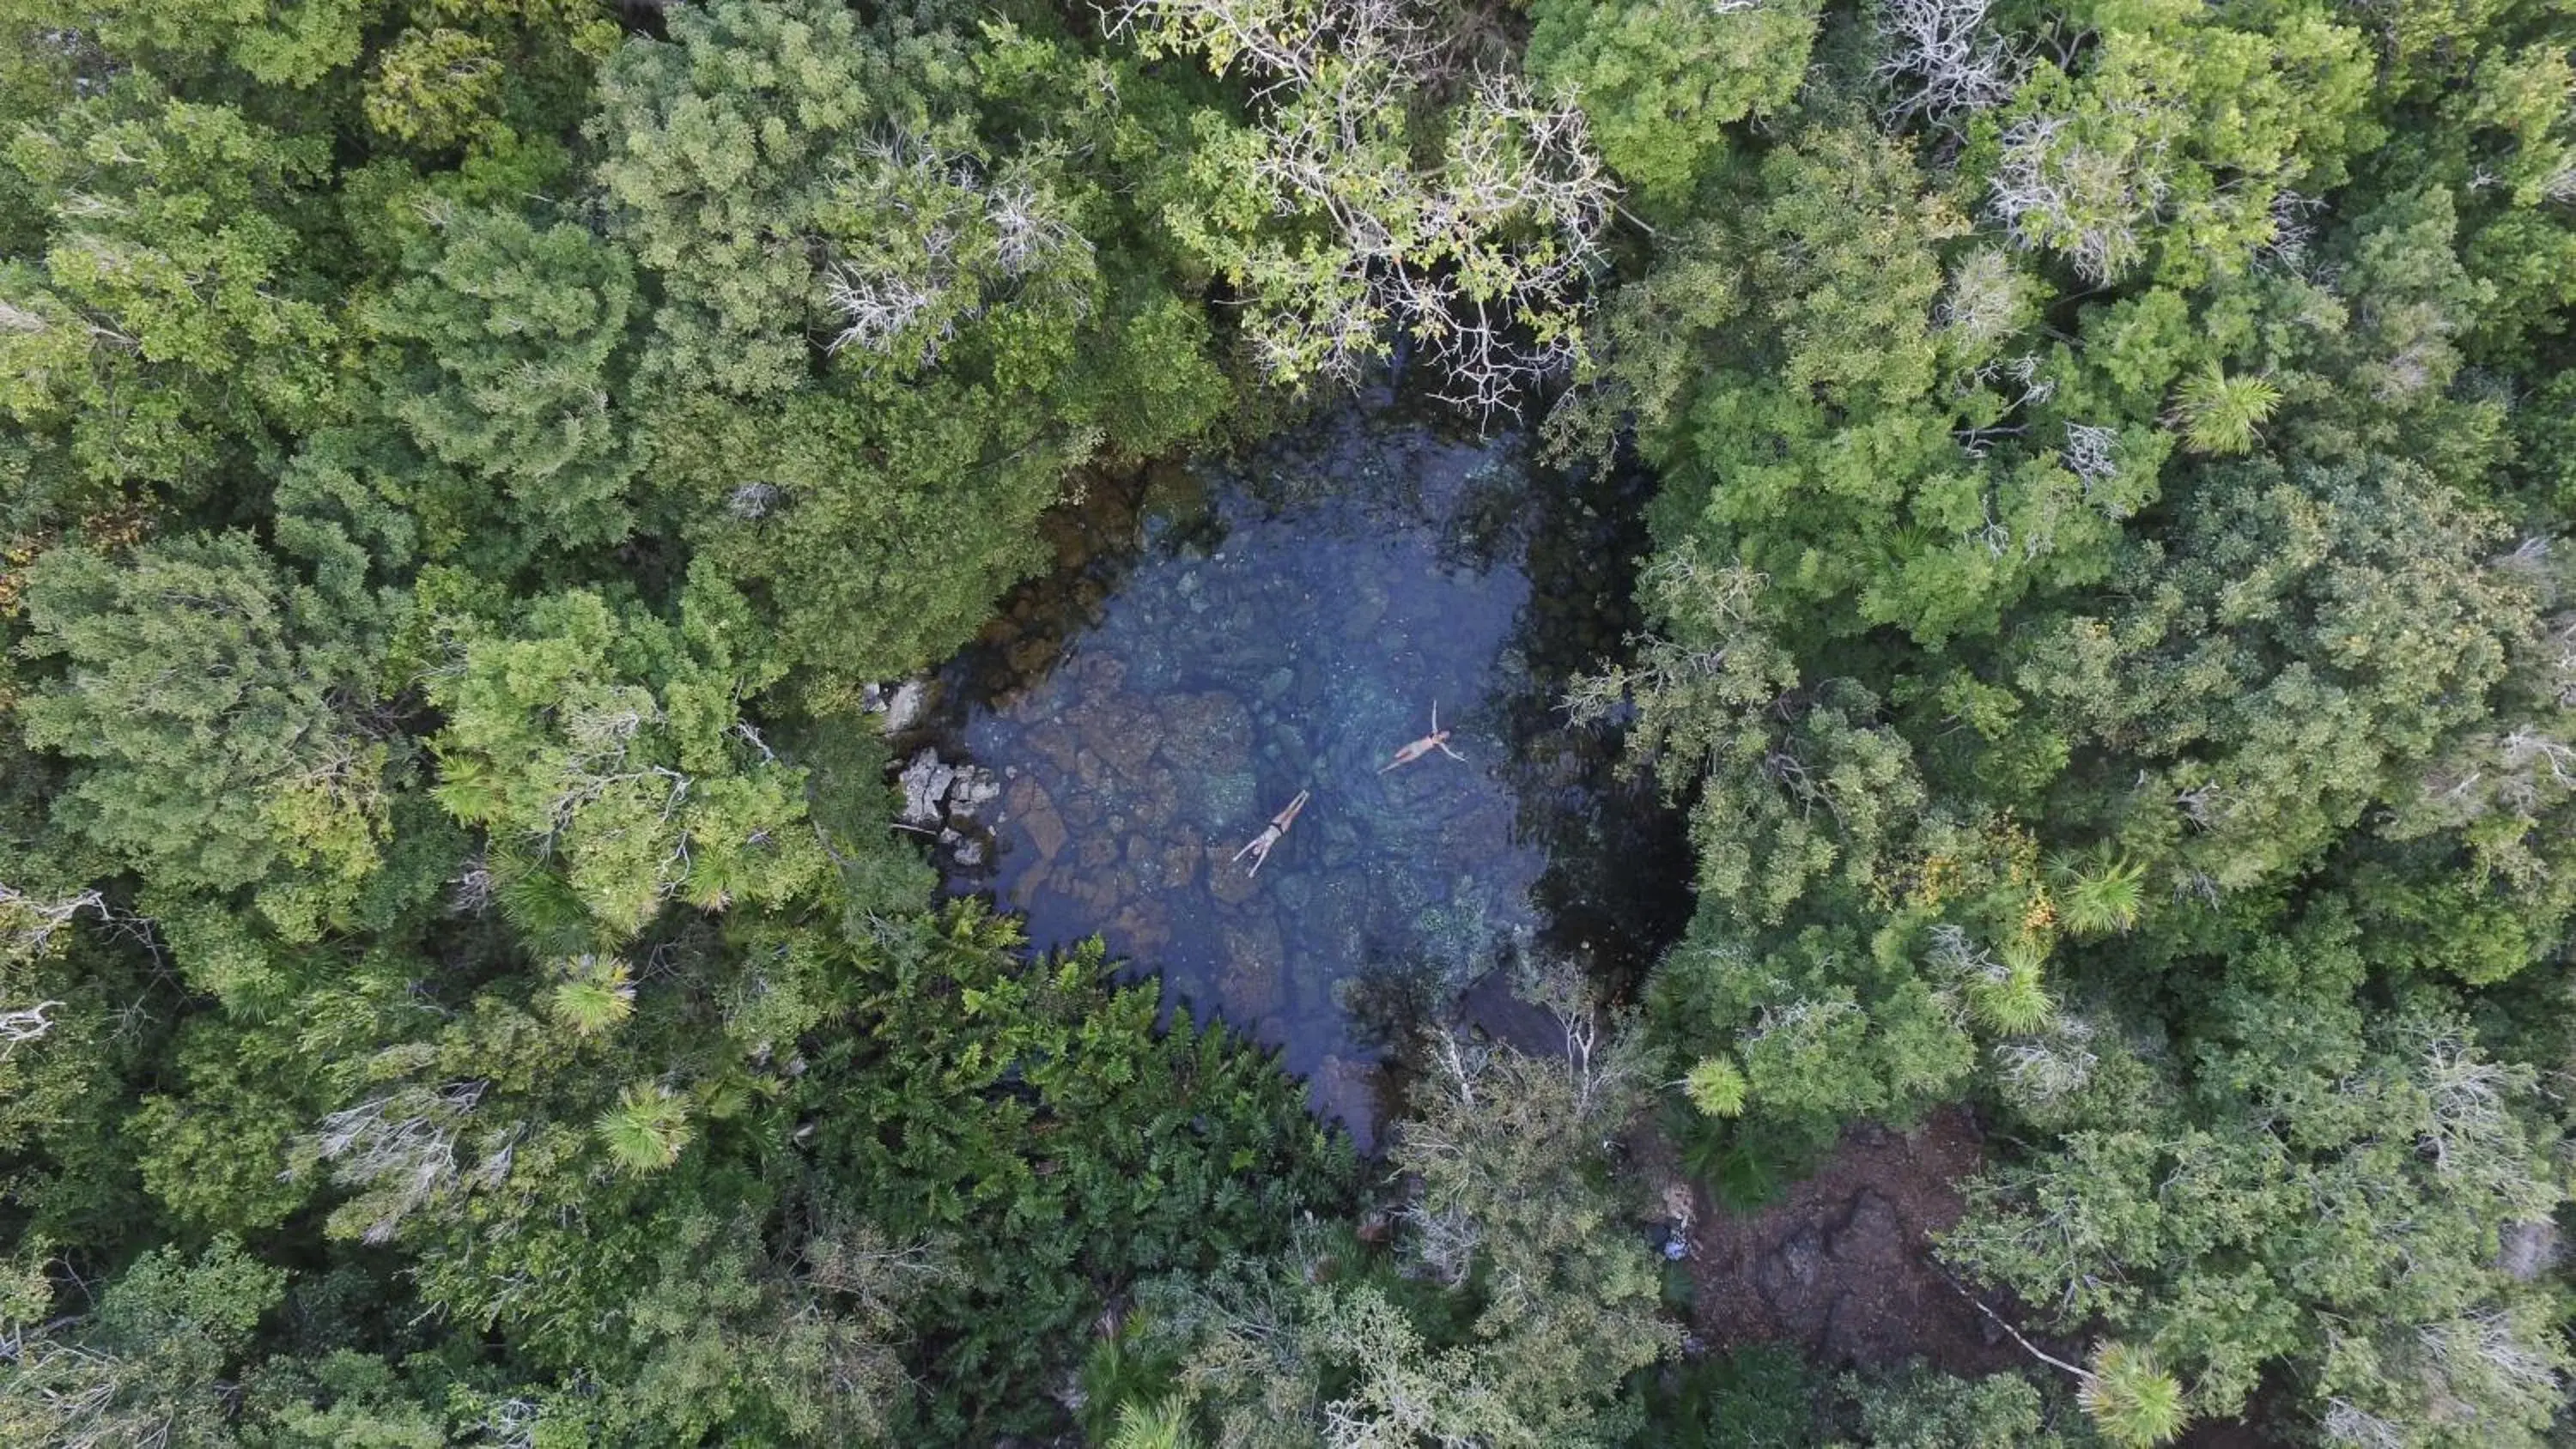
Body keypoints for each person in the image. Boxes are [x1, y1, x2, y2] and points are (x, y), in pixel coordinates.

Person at [1231, 790, 1310, 876]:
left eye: (1255, 849)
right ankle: (1305, 798)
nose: (1257, 849)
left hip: (1274, 824)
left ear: (1255, 848)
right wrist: (1253, 871)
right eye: (1258, 851)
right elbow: (1259, 862)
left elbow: (1245, 848)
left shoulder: (1257, 841)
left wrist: (1237, 857)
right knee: (1293, 814)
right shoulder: (1266, 849)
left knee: (1287, 810)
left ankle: (1301, 794)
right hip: (1281, 830)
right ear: (1260, 851)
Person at [1378, 701, 1467, 773]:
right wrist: (1435, 706)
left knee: (1399, 762)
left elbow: (1450, 753)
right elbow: (1433, 719)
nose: (1444, 734)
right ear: (1443, 731)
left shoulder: (1441, 744)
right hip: (1413, 745)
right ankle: (1383, 762)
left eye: (1446, 735)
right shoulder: (1434, 732)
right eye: (1445, 732)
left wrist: (1461, 759)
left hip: (1417, 753)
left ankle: (1383, 770)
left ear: (1446, 738)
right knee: (1397, 755)